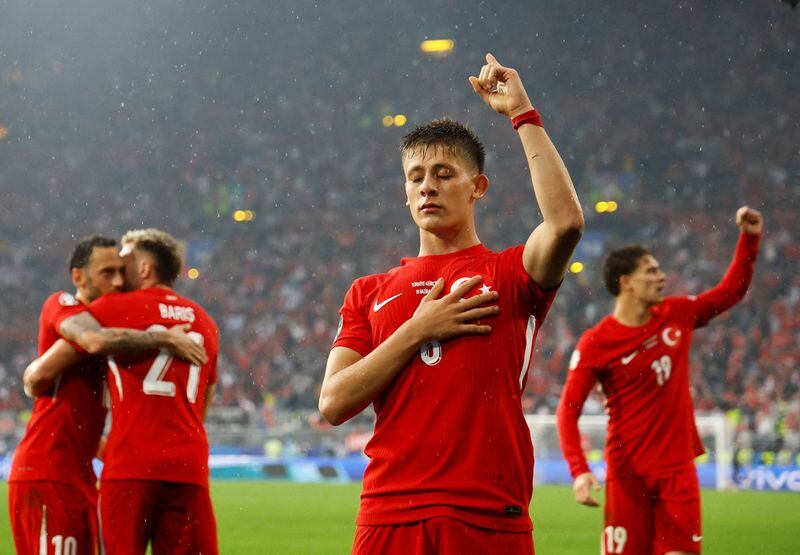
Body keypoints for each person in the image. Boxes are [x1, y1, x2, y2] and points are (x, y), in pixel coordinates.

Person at [319, 53, 584, 554]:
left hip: (486, 514)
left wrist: (522, 113)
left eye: (444, 173)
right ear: (405, 194)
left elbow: (566, 224)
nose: (427, 186)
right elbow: (333, 403)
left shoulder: (509, 274)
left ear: (478, 187)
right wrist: (418, 329)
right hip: (388, 513)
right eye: (416, 176)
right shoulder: (367, 291)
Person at [556, 207, 762, 555]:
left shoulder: (677, 315)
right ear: (627, 283)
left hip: (677, 472)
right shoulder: (596, 342)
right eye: (651, 271)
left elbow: (731, 292)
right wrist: (579, 470)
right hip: (627, 475)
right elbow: (568, 410)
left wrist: (750, 238)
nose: (662, 277)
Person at [10, 235, 206, 555]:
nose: (117, 282)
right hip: (49, 470)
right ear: (78, 277)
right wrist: (160, 337)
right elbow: (39, 374)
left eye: (120, 271)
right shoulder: (64, 305)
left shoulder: (115, 336)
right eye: (106, 273)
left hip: (81, 477)